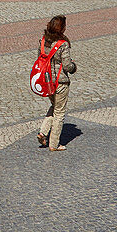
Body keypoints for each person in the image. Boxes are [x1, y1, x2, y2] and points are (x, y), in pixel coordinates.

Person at [36, 15, 77, 151]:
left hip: (46, 82)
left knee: (54, 106)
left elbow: (39, 59)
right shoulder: (62, 45)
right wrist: (74, 66)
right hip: (60, 83)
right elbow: (67, 66)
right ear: (62, 28)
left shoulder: (43, 41)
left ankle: (43, 132)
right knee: (59, 113)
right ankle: (54, 144)